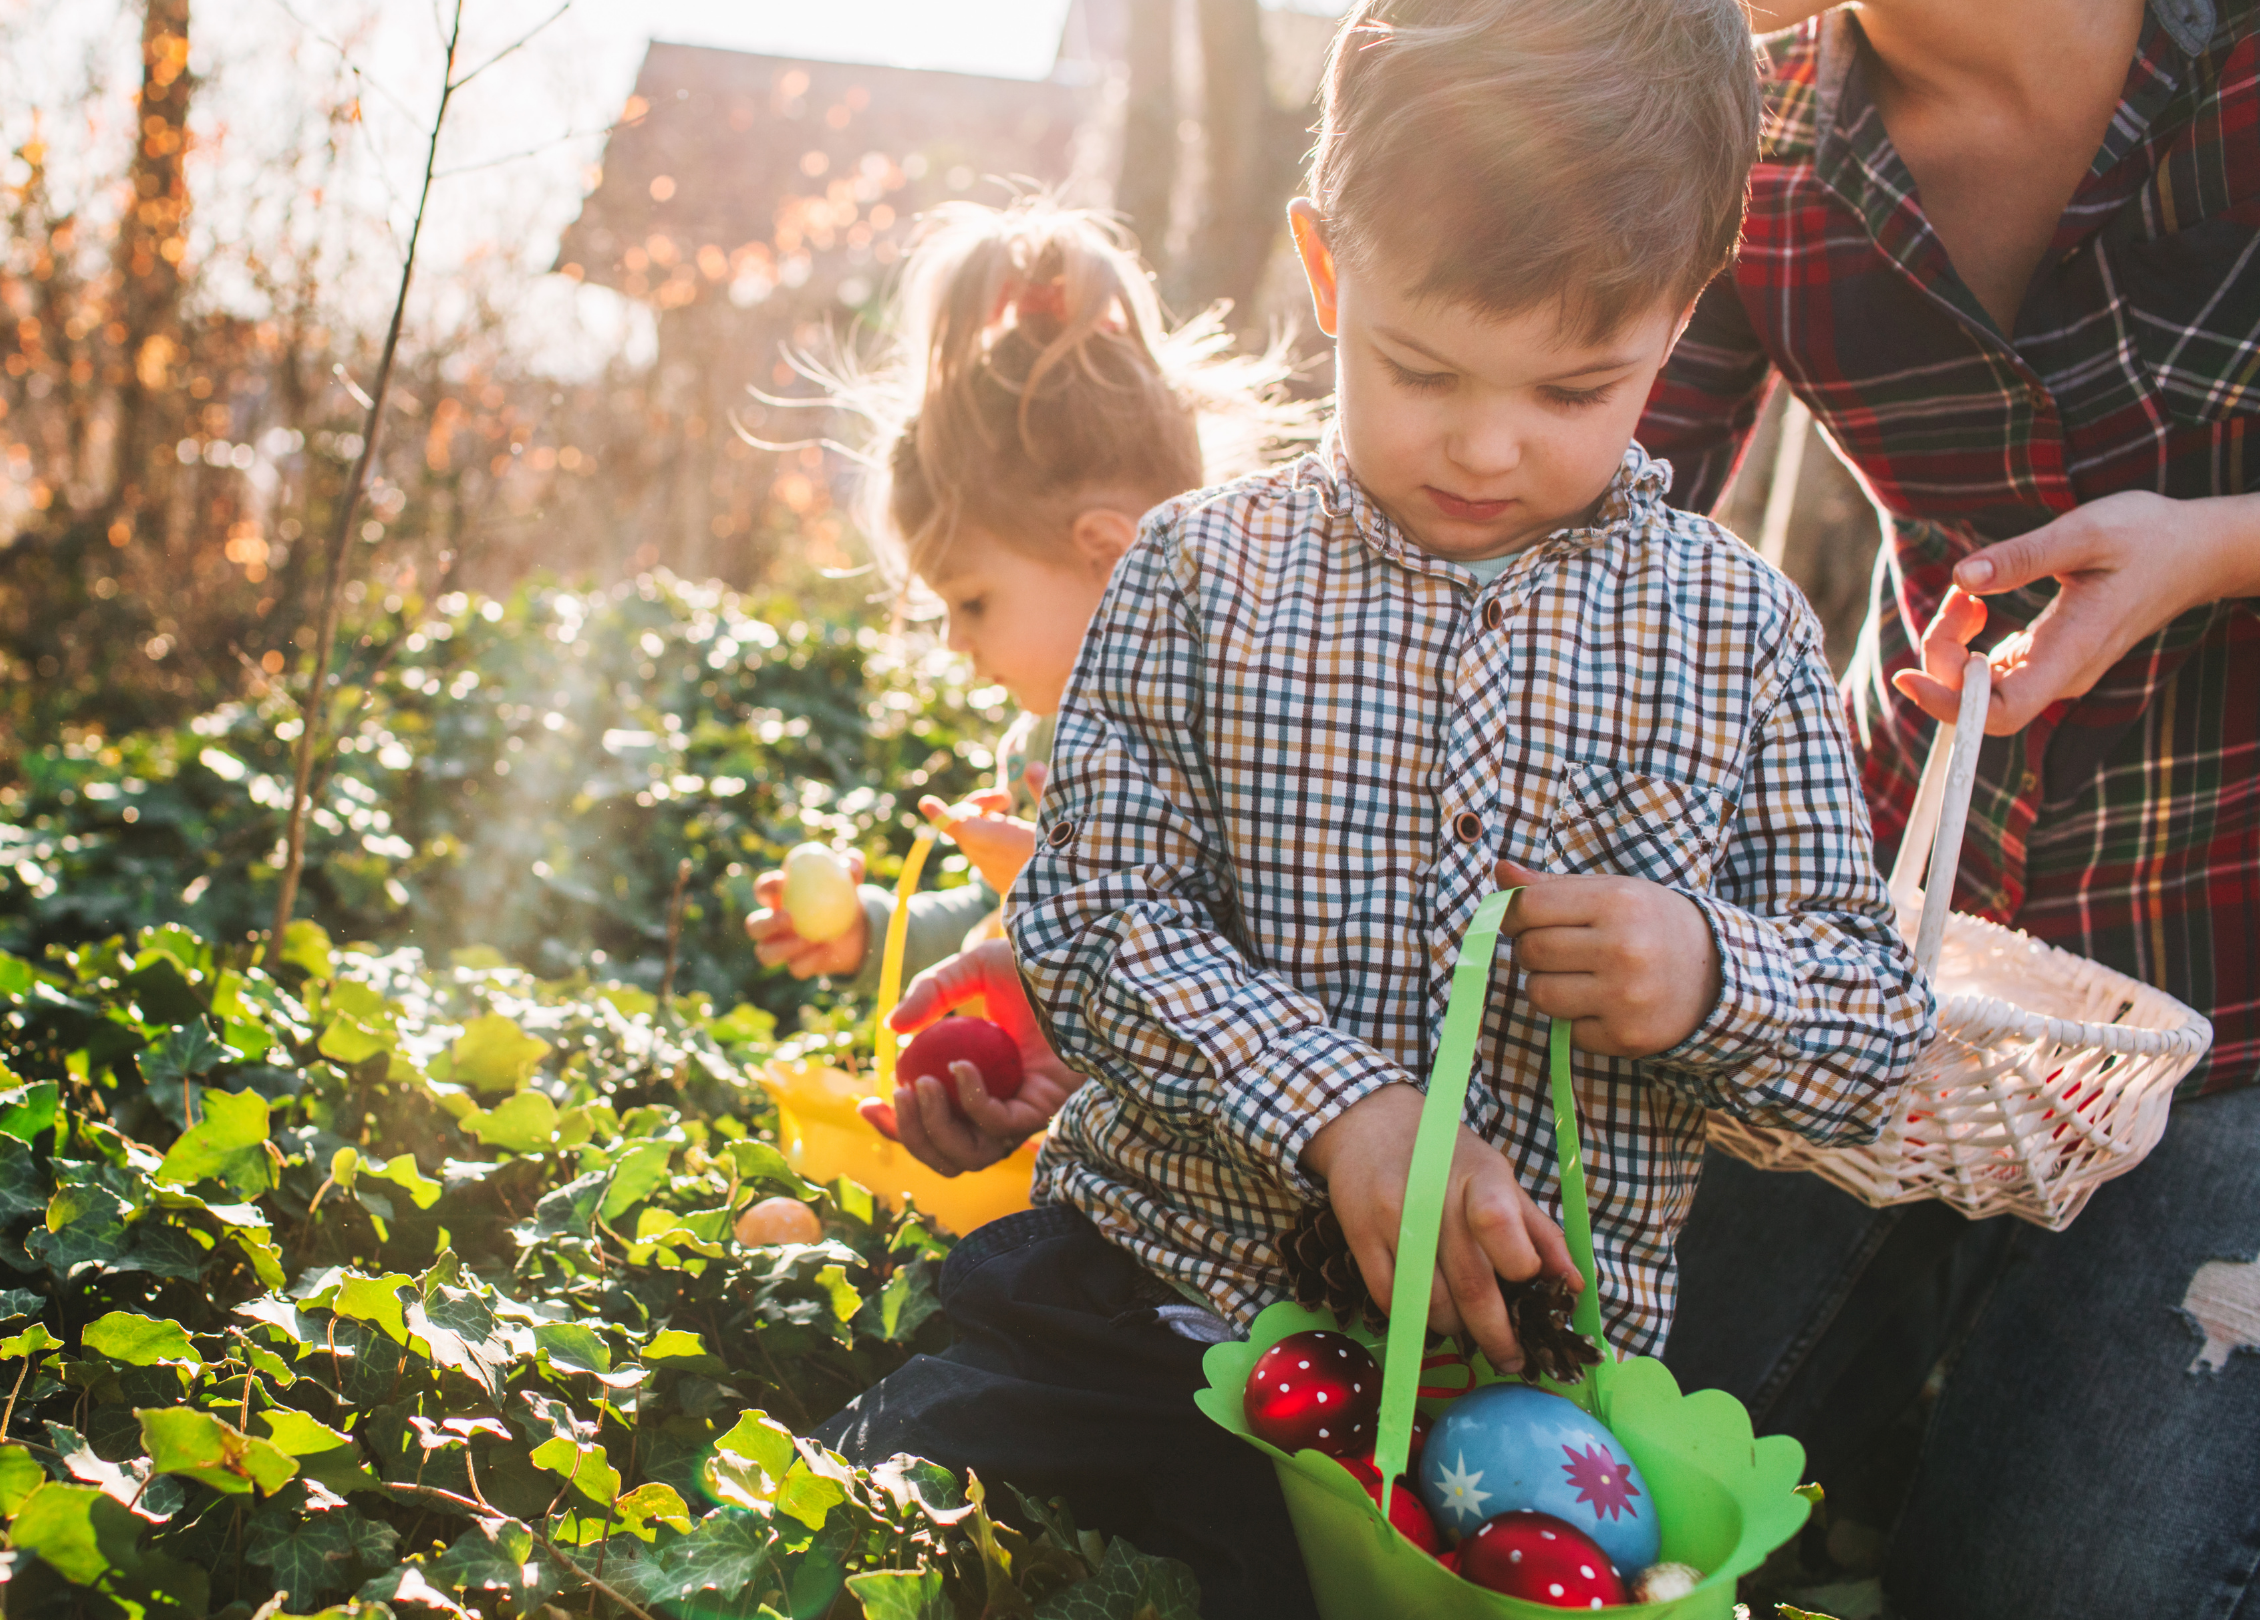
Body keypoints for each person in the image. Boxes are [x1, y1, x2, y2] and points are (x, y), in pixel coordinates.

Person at [818, 3, 1935, 1614]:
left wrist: (1709, 971)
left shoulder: (1737, 634)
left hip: (1504, 1420)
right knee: (898, 1514)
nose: (1485, 443)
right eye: (1421, 369)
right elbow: (1090, 917)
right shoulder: (1199, 575)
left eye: (1574, 388)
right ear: (1328, 271)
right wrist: (1342, 1108)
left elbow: (1876, 1028)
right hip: (1149, 1301)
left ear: (1686, 313)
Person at [1638, 1, 2260, 1614]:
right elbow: (1570, 484)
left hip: (2237, 994)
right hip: (1894, 944)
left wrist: (2219, 547)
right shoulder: (1753, 126)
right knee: (1608, 1455)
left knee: (2050, 1583)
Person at [738, 199, 1306, 1077]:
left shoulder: (1261, 724)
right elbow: (988, 929)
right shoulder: (1043, 744)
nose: (955, 643)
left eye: (972, 602)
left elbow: (1264, 969)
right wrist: (870, 931)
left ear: (1107, 555)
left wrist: (1056, 889)